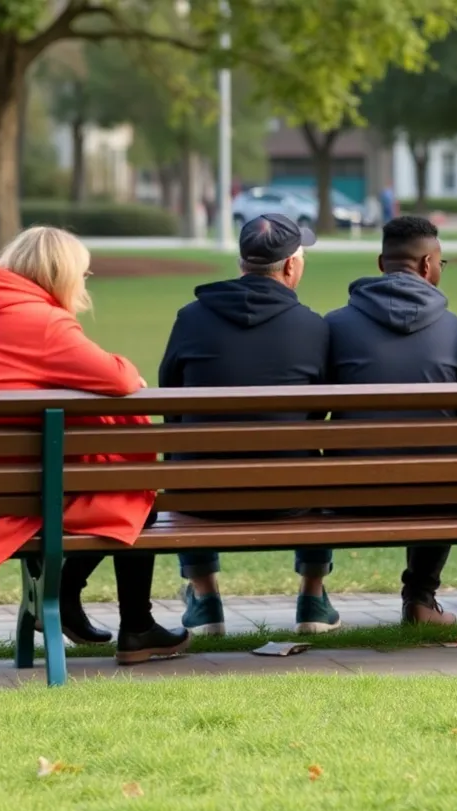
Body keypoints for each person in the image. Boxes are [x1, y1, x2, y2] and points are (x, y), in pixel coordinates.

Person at [0, 226, 189, 665]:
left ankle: (66, 600)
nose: (85, 284)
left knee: (115, 478)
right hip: (11, 500)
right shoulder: (42, 322)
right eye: (83, 275)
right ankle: (133, 626)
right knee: (137, 491)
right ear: (60, 273)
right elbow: (118, 377)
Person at [158, 213, 339, 636]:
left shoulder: (191, 318)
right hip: (289, 495)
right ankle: (312, 595)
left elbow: (172, 402)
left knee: (186, 450)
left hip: (202, 497)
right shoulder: (314, 327)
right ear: (291, 267)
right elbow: (321, 414)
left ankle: (204, 600)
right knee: (316, 461)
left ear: (243, 263)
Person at [324, 216, 457, 625]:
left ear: (380, 262)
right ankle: (420, 599)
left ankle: (311, 593)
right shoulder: (456, 331)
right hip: (435, 496)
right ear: (426, 265)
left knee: (313, 463)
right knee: (443, 465)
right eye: (442, 262)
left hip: (350, 493)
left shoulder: (334, 326)